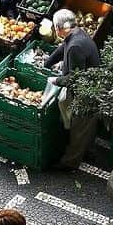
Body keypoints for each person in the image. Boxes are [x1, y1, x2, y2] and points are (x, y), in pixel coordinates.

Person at [44, 9, 101, 171]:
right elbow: (63, 48)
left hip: (87, 93)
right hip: (89, 88)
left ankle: (69, 163)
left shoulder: (76, 46)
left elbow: (75, 78)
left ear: (58, 27)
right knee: (86, 127)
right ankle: (88, 152)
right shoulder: (77, 34)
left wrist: (55, 80)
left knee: (79, 127)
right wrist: (47, 63)